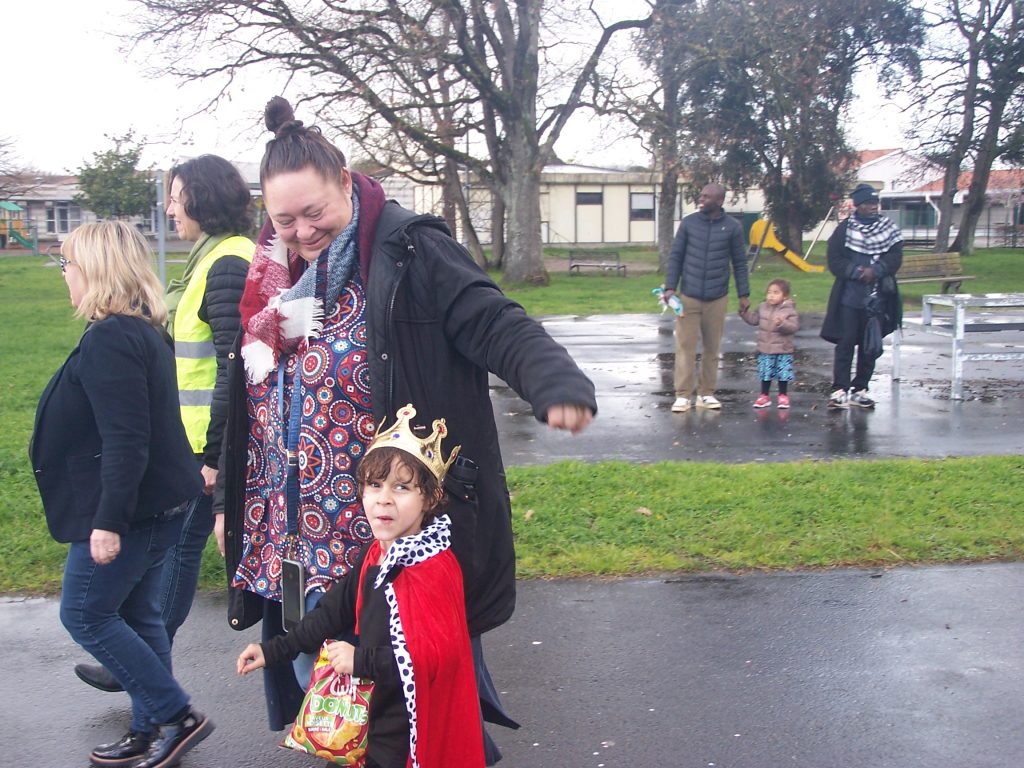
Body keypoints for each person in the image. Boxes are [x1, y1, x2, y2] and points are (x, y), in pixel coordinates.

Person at [221, 96, 596, 759]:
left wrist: (553, 381)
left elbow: (490, 318)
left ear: (345, 181)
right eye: (285, 220)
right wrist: (229, 489)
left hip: (391, 537)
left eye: (315, 213)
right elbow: (254, 396)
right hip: (300, 537)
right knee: (335, 705)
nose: (302, 232)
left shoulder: (410, 250)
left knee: (411, 705)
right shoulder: (278, 286)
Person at [29, 221, 213, 768]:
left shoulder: (112, 339)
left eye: (68, 266)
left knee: (85, 614)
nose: (65, 277)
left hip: (128, 512)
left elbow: (127, 440)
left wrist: (108, 521)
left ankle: (173, 713)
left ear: (95, 271)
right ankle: (148, 728)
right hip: (158, 504)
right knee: (139, 616)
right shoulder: (137, 331)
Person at [73, 154, 256, 694]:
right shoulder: (208, 258)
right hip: (190, 439)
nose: (171, 207)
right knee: (173, 553)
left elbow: (234, 366)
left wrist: (212, 456)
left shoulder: (227, 263)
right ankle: (143, 662)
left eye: (177, 196)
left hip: (204, 444)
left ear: (202, 198)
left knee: (177, 554)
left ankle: (144, 667)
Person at [237, 404, 484, 768]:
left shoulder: (432, 568)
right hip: (369, 720)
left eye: (402, 487)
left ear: (429, 499)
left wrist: (360, 660)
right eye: (374, 485)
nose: (384, 498)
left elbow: (435, 658)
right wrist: (274, 650)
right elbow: (332, 611)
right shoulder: (376, 555)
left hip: (409, 734)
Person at [662, 183, 751, 412]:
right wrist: (670, 288)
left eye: (706, 196)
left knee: (712, 347)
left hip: (717, 296)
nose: (700, 199)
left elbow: (740, 263)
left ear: (719, 201)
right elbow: (676, 256)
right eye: (700, 195)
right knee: (685, 347)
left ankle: (706, 393)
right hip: (688, 296)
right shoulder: (689, 223)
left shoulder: (732, 227)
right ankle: (682, 395)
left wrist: (744, 295)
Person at [821, 183, 903, 409]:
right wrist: (857, 272)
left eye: (875, 203)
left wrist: (876, 271)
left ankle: (861, 388)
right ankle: (840, 389)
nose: (872, 207)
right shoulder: (845, 229)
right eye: (867, 203)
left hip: (877, 299)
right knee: (846, 343)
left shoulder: (889, 228)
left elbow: (895, 258)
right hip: (849, 296)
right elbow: (834, 260)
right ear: (858, 205)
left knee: (870, 345)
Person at [739, 278, 800, 409]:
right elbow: (754, 320)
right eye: (769, 292)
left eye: (776, 293)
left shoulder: (788, 310)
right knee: (765, 372)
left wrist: (782, 324)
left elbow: (793, 327)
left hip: (782, 349)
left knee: (783, 373)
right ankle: (764, 395)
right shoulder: (762, 307)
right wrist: (744, 313)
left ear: (785, 296)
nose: (771, 295)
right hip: (765, 348)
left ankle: (783, 395)